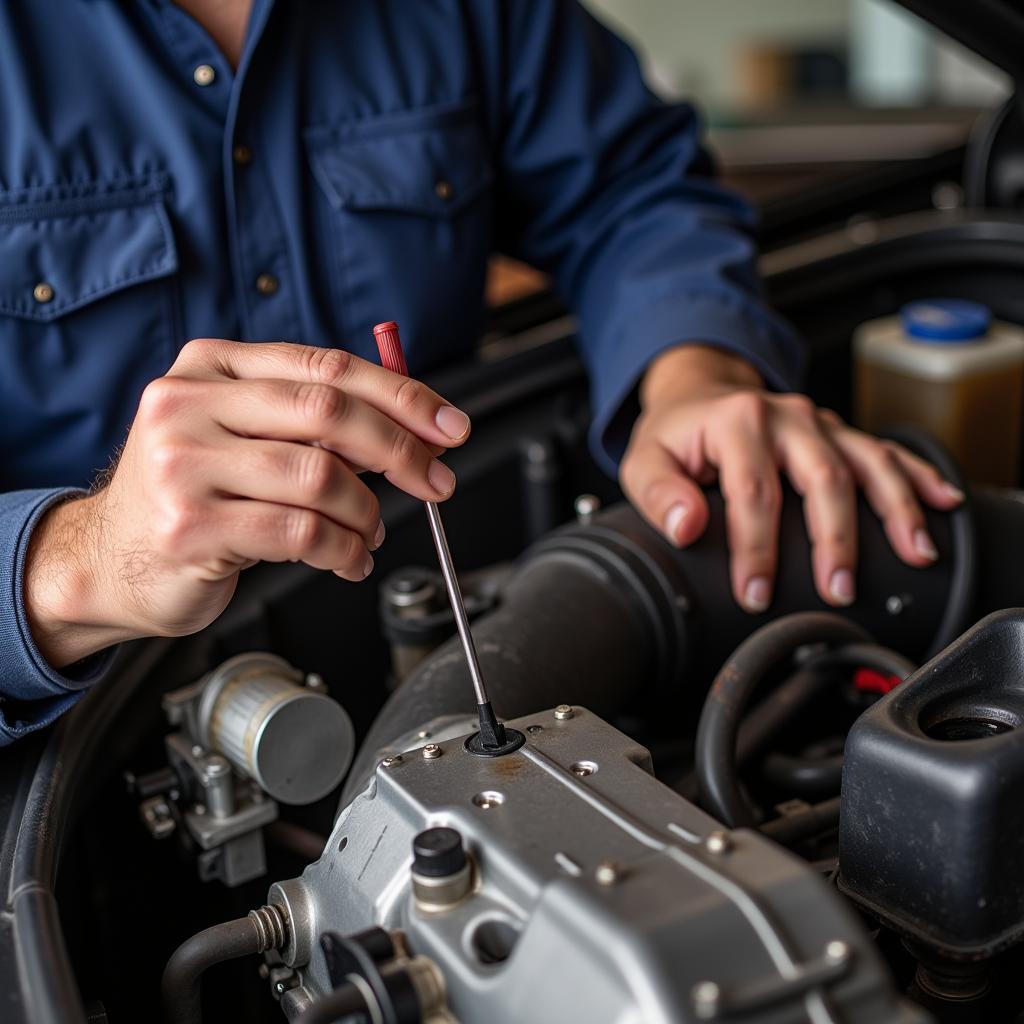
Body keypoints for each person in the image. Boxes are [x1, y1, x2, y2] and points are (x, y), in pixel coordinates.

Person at [0, 0, 962, 746]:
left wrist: (691, 373)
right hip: (95, 734)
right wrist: (86, 560)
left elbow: (630, 190)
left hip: (453, 613)